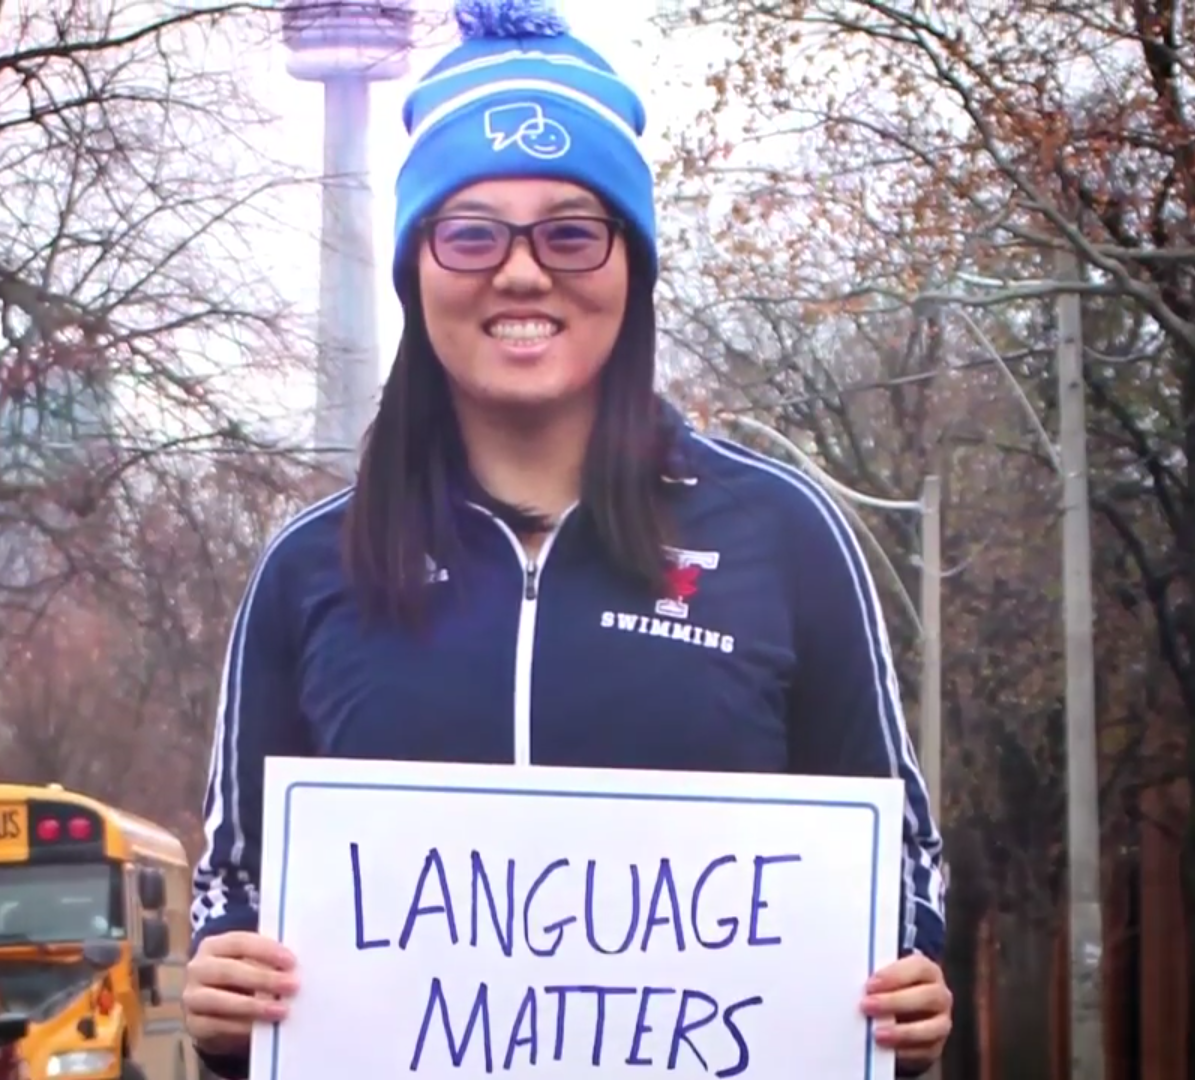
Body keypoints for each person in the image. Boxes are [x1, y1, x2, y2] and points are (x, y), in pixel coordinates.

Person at [181, 0, 953, 1075]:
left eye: (573, 231)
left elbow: (898, 855)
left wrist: (908, 972)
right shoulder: (314, 565)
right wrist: (220, 986)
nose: (523, 271)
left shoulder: (785, 535)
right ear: (415, 266)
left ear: (630, 264)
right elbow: (235, 884)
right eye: (471, 231)